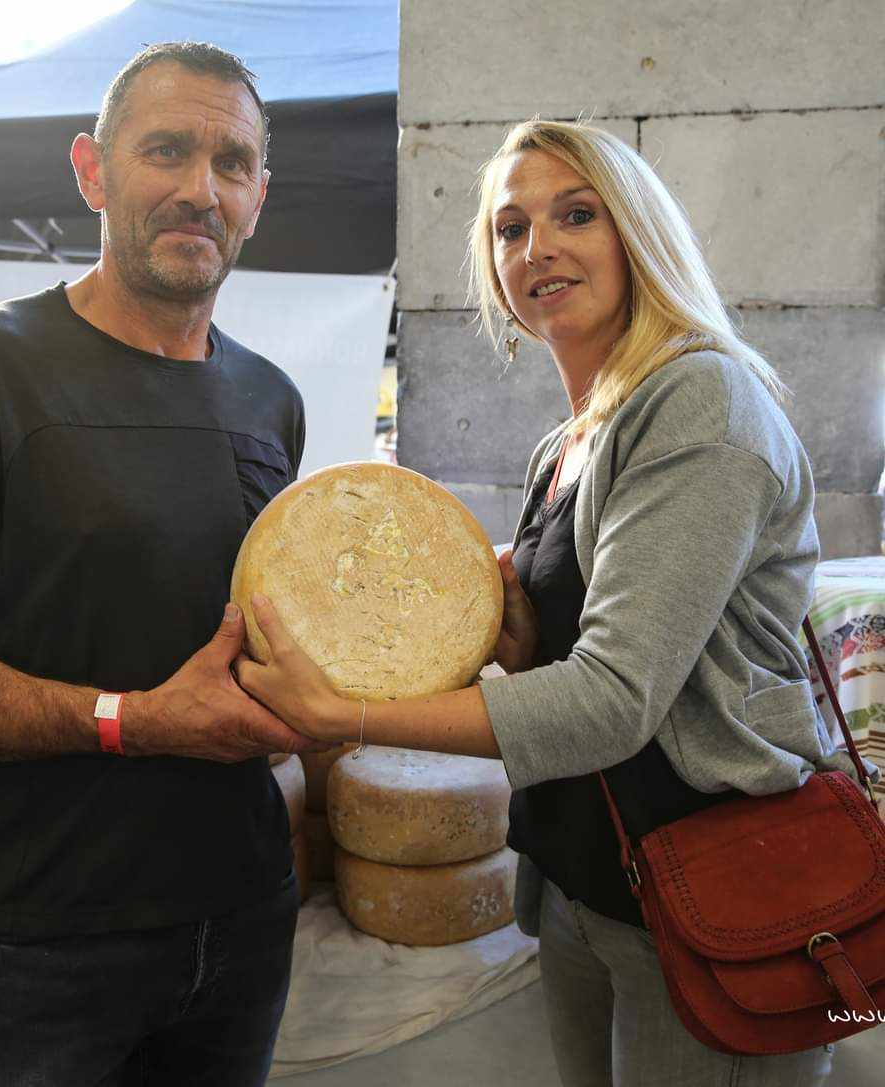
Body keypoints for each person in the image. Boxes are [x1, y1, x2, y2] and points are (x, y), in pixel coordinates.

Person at [235, 119, 881, 1086]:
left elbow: (615, 701)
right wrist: (525, 634)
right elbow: (592, 657)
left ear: (637, 235)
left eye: (575, 214)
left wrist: (349, 714)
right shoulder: (572, 438)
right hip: (592, 879)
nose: (537, 247)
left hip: (714, 886)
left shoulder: (698, 402)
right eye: (508, 227)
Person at [0, 42, 327, 1087]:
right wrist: (127, 718)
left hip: (241, 923)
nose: (200, 188)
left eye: (231, 164)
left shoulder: (271, 398)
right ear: (92, 170)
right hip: (40, 946)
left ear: (260, 196)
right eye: (166, 150)